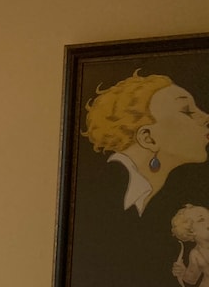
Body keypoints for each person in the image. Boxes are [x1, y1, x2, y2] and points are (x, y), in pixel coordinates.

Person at [83, 71, 209, 215]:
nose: (206, 117)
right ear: (148, 138)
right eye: (187, 111)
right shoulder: (104, 190)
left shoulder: (158, 193)